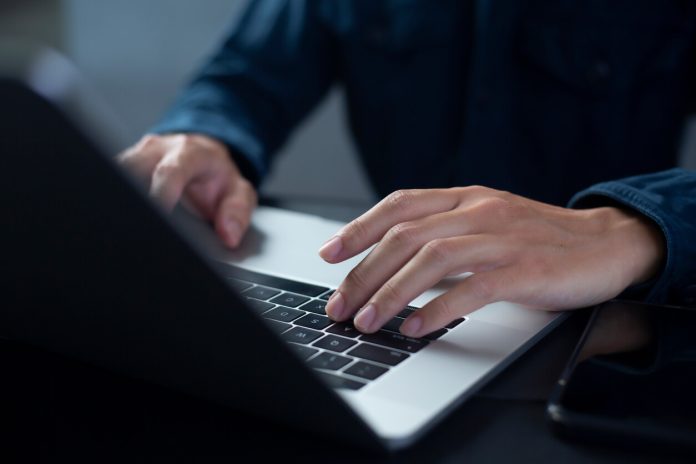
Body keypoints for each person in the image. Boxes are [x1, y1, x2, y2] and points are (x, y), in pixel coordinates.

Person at [118, 1, 696, 339]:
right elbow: (248, 74)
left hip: (606, 334)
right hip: (400, 306)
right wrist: (206, 137)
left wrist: (633, 228)